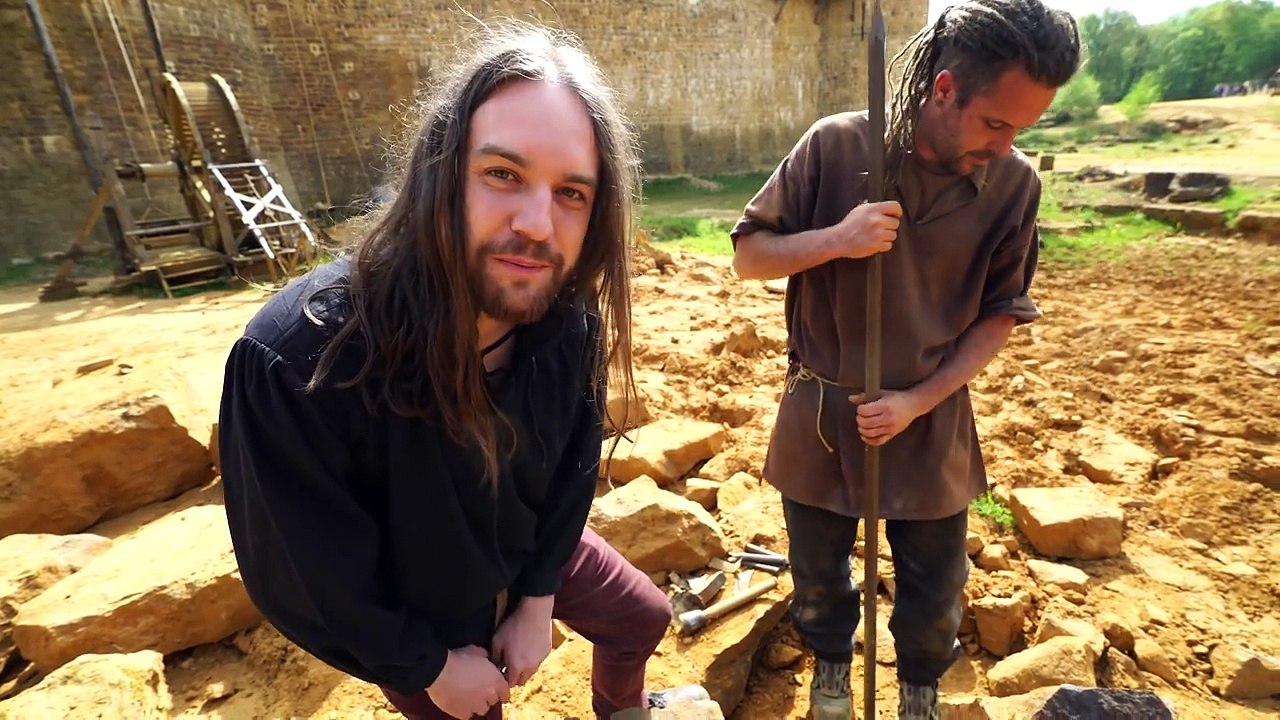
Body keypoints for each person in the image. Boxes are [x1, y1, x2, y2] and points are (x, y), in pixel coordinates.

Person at [218, 23, 705, 720]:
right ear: (440, 173)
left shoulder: (566, 324)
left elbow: (571, 469)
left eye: (572, 192)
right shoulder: (302, 361)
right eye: (503, 174)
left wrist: (536, 602)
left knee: (641, 617)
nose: (538, 224)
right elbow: (308, 571)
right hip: (423, 611)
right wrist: (432, 667)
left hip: (528, 551)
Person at [729, 1, 1082, 718]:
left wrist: (918, 400)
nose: (1008, 145)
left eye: (1022, 128)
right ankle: (832, 678)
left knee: (935, 588)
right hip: (823, 412)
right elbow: (749, 257)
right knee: (819, 574)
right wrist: (839, 237)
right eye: (996, 122)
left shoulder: (1014, 187)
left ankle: (918, 695)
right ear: (945, 89)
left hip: (931, 416)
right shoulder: (835, 147)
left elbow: (999, 314)